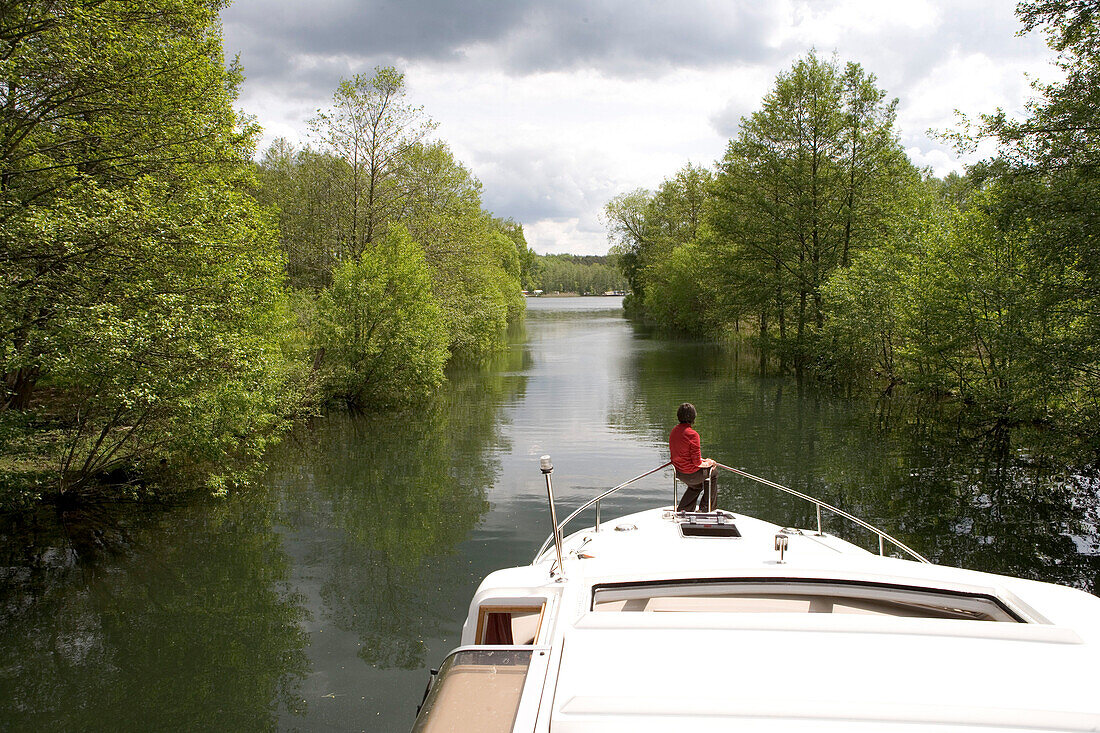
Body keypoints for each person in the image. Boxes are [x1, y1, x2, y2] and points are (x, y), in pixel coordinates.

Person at [669, 402, 717, 512]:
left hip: (679, 472)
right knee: (713, 473)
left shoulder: (674, 431)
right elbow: (696, 463)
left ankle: (684, 508)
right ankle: (706, 508)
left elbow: (686, 456)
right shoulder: (692, 434)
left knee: (696, 486)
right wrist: (710, 462)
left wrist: (703, 461)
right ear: (693, 417)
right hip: (691, 474)